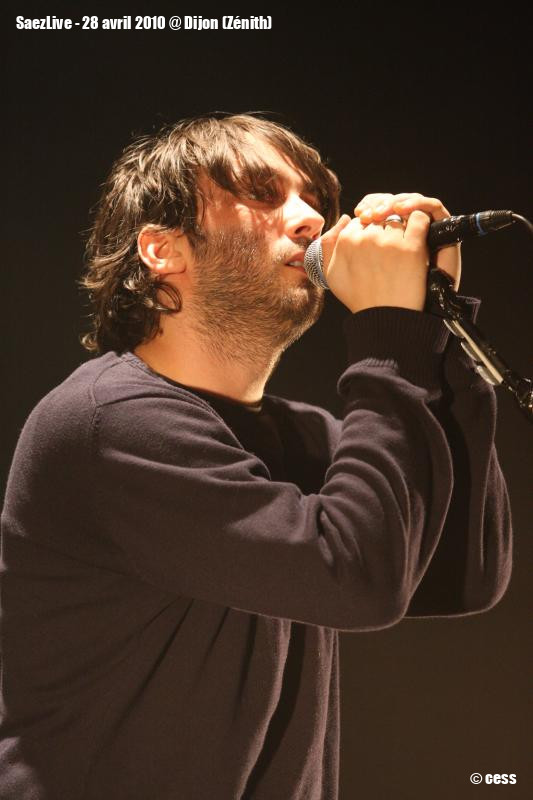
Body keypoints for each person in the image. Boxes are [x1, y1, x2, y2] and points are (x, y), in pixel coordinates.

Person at [0, 113, 512, 800]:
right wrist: (389, 335)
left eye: (314, 200)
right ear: (162, 250)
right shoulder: (110, 423)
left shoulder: (304, 436)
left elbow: (461, 574)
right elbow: (354, 580)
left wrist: (436, 327)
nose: (311, 219)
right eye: (264, 195)